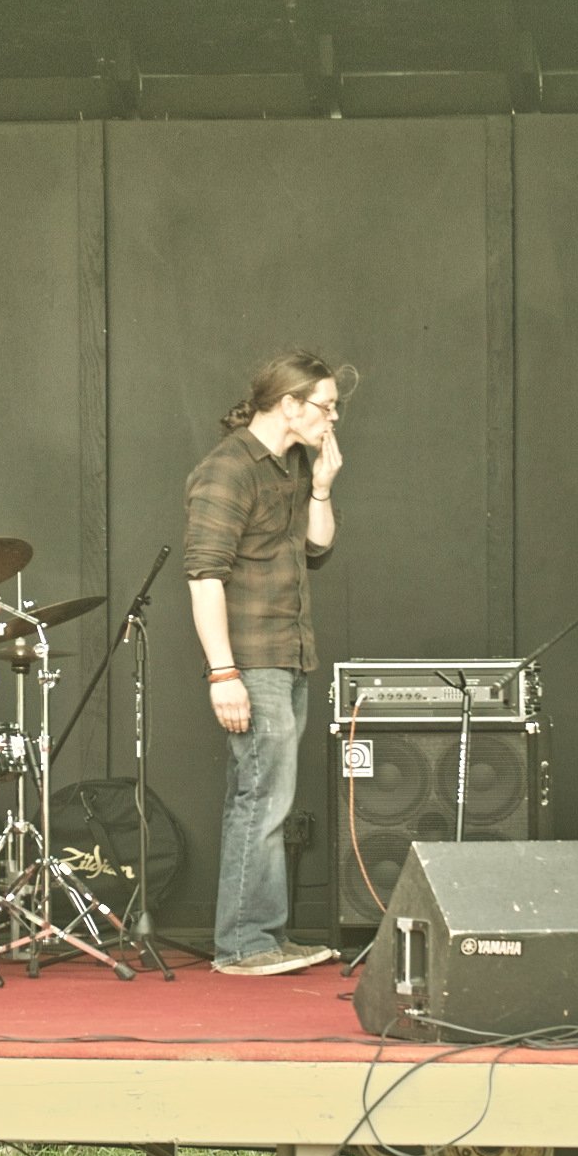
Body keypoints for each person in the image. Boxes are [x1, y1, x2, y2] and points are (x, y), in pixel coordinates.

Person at [184, 351, 349, 976]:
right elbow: (204, 577)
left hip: (288, 654)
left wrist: (323, 487)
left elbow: (316, 550)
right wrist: (223, 673)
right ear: (289, 404)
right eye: (326, 406)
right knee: (263, 799)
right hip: (252, 662)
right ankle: (245, 944)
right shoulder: (227, 470)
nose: (333, 418)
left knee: (265, 796)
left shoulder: (290, 467)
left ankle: (262, 937)